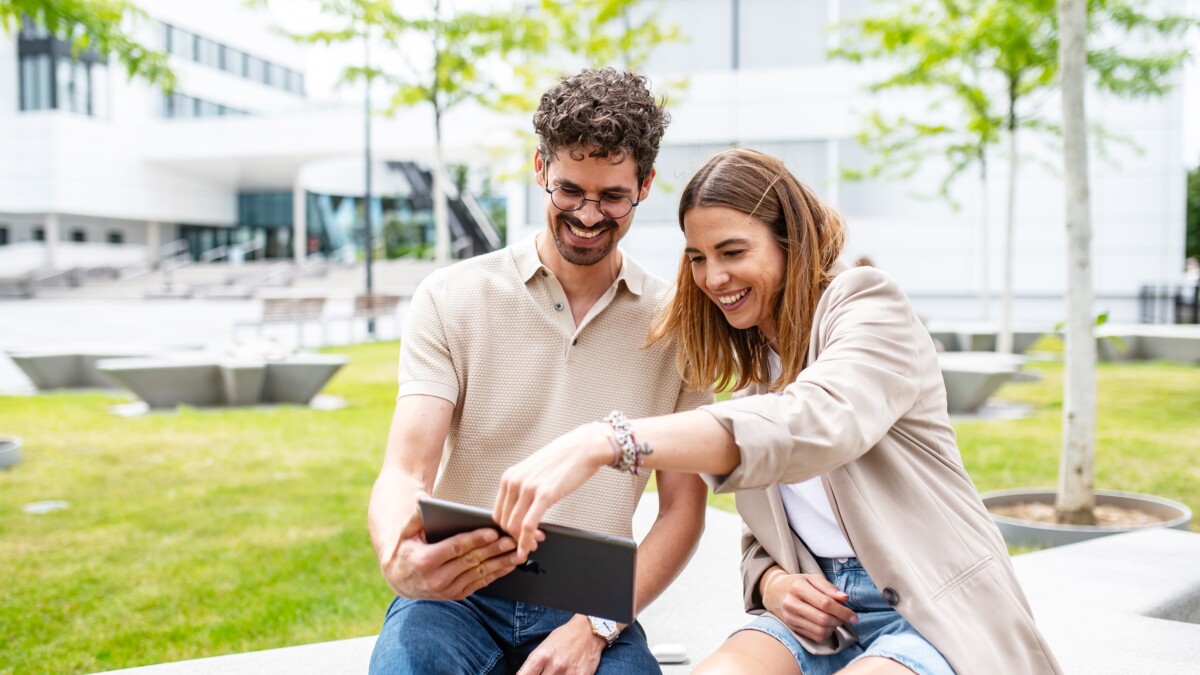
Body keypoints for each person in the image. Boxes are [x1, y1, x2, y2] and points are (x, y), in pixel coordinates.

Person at [493, 148, 1062, 675]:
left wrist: (609, 439)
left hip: (929, 612)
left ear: (791, 241)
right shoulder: (752, 377)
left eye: (733, 252)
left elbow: (816, 422)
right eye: (698, 258)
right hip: (816, 624)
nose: (714, 278)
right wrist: (771, 584)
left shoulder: (867, 304)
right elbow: (761, 540)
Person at [366, 67, 712, 675]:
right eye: (569, 190)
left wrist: (597, 626)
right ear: (540, 169)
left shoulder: (677, 324)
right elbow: (405, 467)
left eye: (612, 197)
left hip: (591, 605)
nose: (587, 215)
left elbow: (681, 510)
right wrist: (396, 551)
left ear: (647, 185)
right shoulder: (452, 296)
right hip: (460, 595)